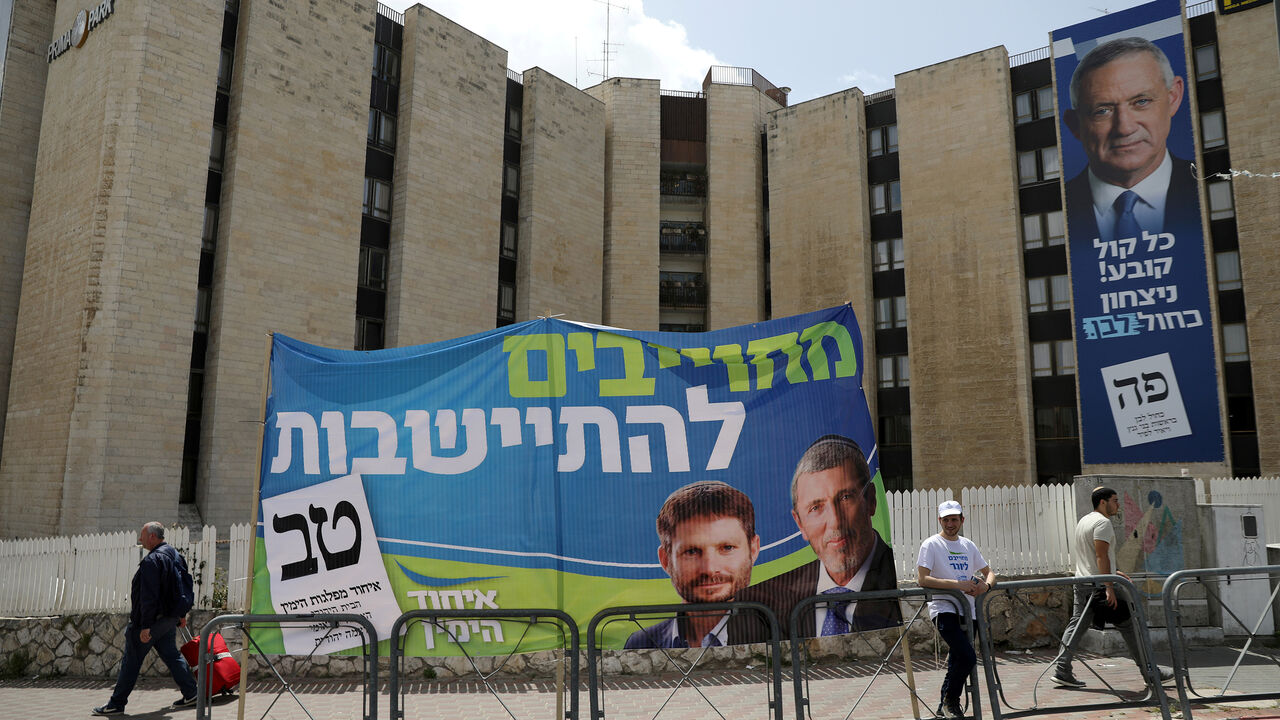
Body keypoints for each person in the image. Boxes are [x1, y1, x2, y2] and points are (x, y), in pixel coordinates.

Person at [739, 434, 901, 637]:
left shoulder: (894, 578)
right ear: (800, 524)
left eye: (845, 498)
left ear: (870, 500)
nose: (835, 521)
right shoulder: (765, 600)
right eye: (816, 507)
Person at [1062, 37, 1200, 245]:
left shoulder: (1208, 184)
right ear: (1075, 125)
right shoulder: (1058, 208)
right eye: (1103, 111)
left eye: (1141, 102)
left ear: (1173, 97)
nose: (1124, 128)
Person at [1053, 487, 1173, 689]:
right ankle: (1151, 672)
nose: (1118, 505)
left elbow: (1092, 556)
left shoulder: (1084, 521)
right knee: (1130, 626)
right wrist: (1109, 585)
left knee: (1076, 625)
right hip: (1099, 586)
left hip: (1083, 582)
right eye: (1115, 500)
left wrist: (1114, 572)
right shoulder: (1102, 523)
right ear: (1103, 502)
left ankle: (1062, 669)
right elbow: (1100, 555)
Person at [625, 481, 762, 648]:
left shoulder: (779, 634)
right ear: (665, 560)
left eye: (727, 548)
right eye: (691, 552)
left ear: (753, 550)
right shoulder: (641, 643)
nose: (710, 569)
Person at [93, 522, 198, 715]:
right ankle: (192, 692)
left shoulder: (152, 561)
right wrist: (181, 614)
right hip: (168, 620)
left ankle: (116, 704)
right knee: (172, 656)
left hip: (152, 622)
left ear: (152, 537)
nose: (140, 540)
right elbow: (183, 587)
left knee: (131, 660)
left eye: (142, 535)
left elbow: (149, 596)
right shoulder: (175, 555)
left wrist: (145, 626)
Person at [917, 500, 996, 719]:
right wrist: (957, 585)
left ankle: (946, 706)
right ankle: (952, 700)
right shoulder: (931, 544)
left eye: (954, 519)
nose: (950, 524)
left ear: (962, 520)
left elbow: (990, 573)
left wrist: (985, 586)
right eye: (946, 520)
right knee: (967, 656)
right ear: (939, 520)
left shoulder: (968, 545)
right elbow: (923, 579)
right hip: (944, 608)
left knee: (958, 658)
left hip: (969, 610)